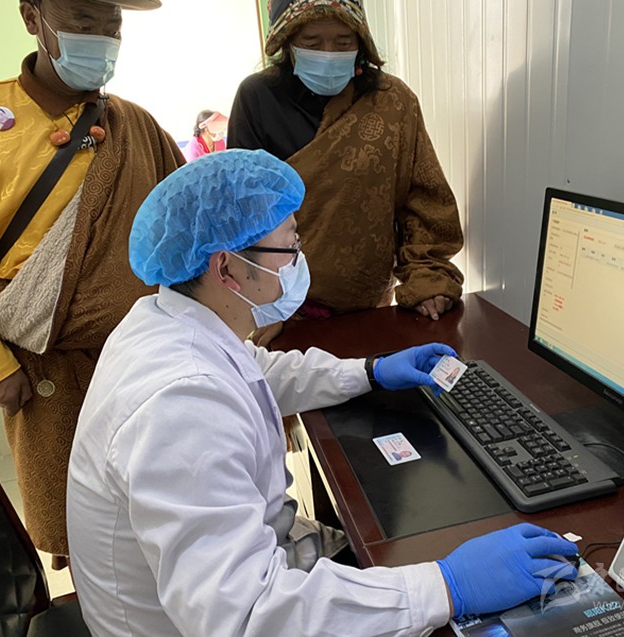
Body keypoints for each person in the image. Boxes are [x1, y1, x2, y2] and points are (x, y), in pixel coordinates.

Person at [67, 149, 579, 636]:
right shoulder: (180, 404)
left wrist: (370, 371)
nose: (298, 259)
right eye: (289, 245)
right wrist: (447, 586)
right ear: (227, 269)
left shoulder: (167, 321)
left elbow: (255, 371)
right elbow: (249, 617)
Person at [0, 0, 182, 567]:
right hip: (45, 362)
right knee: (87, 531)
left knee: (166, 511)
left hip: (145, 359)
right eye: (83, 24)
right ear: (32, 18)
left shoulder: (135, 125)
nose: (101, 40)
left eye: (112, 27)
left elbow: (187, 222)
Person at [228, 0, 464, 341]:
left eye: (343, 42)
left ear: (362, 42)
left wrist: (427, 279)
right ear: (287, 42)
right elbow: (243, 213)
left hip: (371, 309)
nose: (328, 54)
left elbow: (424, 203)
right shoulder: (257, 98)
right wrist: (268, 306)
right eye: (311, 42)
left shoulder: (394, 101)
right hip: (282, 314)